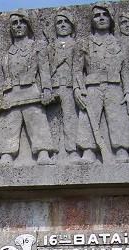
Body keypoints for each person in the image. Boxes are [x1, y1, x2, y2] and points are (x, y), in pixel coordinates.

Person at [73, 3, 129, 163]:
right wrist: (77, 90)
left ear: (111, 18)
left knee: (118, 117)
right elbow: (77, 70)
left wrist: (128, 93)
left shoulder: (120, 44)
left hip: (115, 86)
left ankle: (121, 150)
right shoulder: (84, 43)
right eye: (97, 15)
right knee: (88, 118)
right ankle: (88, 151)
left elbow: (125, 72)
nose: (101, 18)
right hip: (91, 87)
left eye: (104, 14)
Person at [0, 10, 54, 164]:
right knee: (9, 123)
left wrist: (47, 89)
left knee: (36, 120)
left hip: (30, 89)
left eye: (22, 22)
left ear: (28, 25)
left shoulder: (37, 47)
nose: (18, 26)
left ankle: (43, 152)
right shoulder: (8, 53)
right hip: (11, 92)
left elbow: (44, 71)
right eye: (14, 23)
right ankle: (6, 154)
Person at [48, 8, 79, 161]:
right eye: (59, 22)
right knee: (53, 120)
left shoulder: (76, 45)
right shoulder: (50, 47)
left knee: (70, 118)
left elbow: (79, 70)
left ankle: (72, 150)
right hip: (53, 87)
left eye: (66, 21)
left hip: (69, 86)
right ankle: (52, 151)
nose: (62, 25)